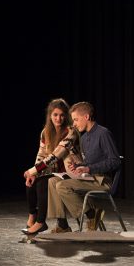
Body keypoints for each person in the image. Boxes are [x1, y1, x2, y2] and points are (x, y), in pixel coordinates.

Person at [47, 101, 121, 233]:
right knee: (53, 181)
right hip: (88, 178)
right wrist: (79, 165)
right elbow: (90, 161)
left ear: (86, 117)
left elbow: (115, 161)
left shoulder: (103, 133)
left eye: (76, 119)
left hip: (102, 181)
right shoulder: (85, 137)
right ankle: (63, 225)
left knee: (62, 186)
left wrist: (88, 169)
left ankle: (91, 215)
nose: (74, 123)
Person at [21, 98, 82, 235]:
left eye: (61, 115)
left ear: (66, 116)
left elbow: (55, 155)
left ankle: (41, 223)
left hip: (71, 172)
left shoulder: (70, 132)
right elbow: (41, 155)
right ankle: (33, 215)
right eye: (55, 115)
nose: (58, 118)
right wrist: (33, 173)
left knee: (43, 182)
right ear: (50, 116)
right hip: (54, 172)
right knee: (31, 181)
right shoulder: (45, 132)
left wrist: (32, 170)